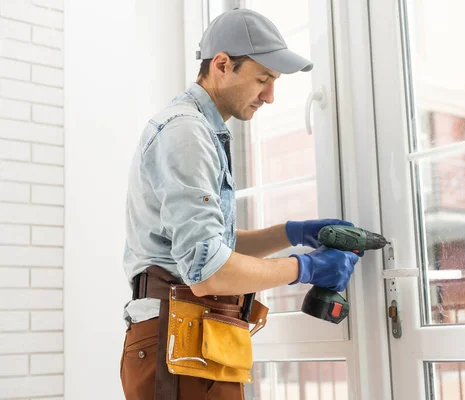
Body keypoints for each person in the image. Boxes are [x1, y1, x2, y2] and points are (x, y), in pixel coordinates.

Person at [120, 8, 360, 400]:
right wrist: (305, 267)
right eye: (262, 79)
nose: (269, 96)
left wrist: (292, 233)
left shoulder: (202, 131)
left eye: (274, 82)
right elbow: (209, 272)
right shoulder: (186, 133)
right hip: (176, 340)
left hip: (192, 338)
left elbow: (212, 248)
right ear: (222, 65)